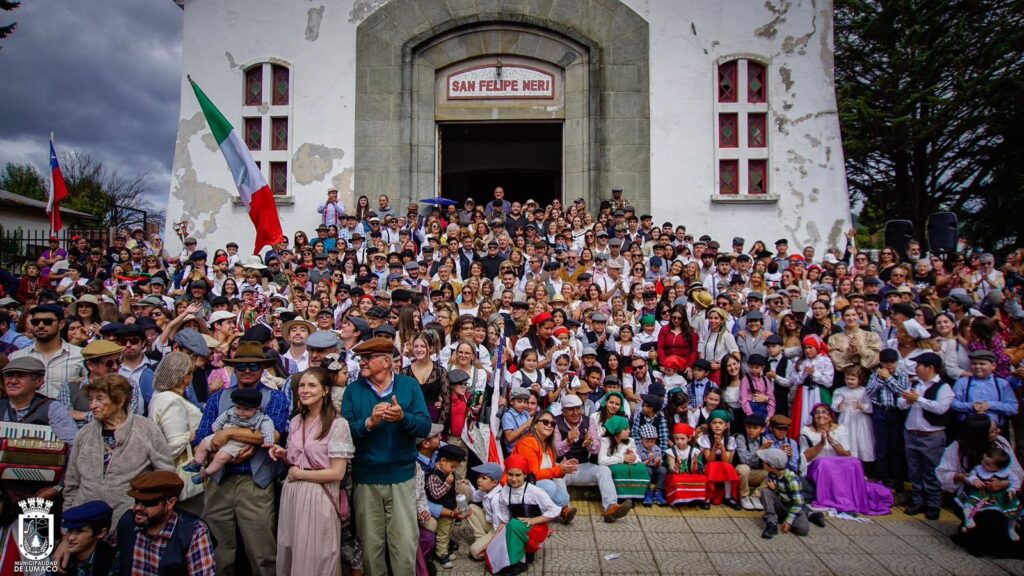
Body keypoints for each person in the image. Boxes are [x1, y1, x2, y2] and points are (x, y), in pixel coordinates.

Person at [341, 337, 432, 576]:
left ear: (386, 361)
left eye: (368, 358)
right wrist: (369, 423)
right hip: (366, 480)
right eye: (361, 358)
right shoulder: (353, 391)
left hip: (402, 478)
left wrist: (403, 418)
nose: (363, 362)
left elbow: (424, 427)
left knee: (404, 546)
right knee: (371, 549)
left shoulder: (409, 386)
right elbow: (344, 434)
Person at [197, 341, 289, 576]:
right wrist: (247, 439)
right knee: (218, 552)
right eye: (241, 366)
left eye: (253, 366)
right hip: (219, 481)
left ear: (262, 369)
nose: (247, 370)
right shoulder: (218, 398)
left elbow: (274, 434)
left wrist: (227, 433)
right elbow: (202, 435)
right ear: (234, 369)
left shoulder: (276, 398)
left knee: (262, 553)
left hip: (255, 482)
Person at [268, 367, 356, 576]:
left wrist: (302, 475)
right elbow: (298, 459)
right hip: (293, 493)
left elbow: (337, 473)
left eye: (312, 385)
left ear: (325, 390)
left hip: (319, 495)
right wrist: (284, 454)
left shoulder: (338, 424)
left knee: (318, 554)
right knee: (292, 549)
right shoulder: (297, 421)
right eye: (303, 386)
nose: (305, 390)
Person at [63, 374, 175, 530]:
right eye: (91, 399)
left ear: (120, 401)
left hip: (129, 523)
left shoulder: (146, 429)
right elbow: (72, 483)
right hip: (85, 528)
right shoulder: (85, 433)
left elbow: (166, 477)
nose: (93, 405)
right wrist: (67, 524)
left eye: (100, 399)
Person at [938, 414, 1024, 556]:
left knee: (1007, 520)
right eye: (993, 431)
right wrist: (959, 476)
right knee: (990, 521)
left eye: (997, 429)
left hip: (1001, 496)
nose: (998, 432)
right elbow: (942, 474)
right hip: (973, 497)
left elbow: (1017, 472)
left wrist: (1004, 483)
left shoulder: (1001, 443)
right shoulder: (957, 447)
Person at [113, 470, 216, 575]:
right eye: (136, 501)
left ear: (170, 503)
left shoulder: (194, 533)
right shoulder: (127, 522)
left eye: (147, 503)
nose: (138, 508)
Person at [800, 403, 892, 515]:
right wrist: (821, 444)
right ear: (813, 416)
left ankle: (848, 501)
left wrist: (833, 442)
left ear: (830, 417)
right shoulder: (806, 431)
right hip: (817, 468)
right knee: (824, 463)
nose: (820, 415)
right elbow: (805, 456)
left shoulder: (840, 429)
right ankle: (836, 501)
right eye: (817, 413)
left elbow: (846, 454)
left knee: (855, 461)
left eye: (824, 412)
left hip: (839, 467)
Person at [552, 395, 632, 522]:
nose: (576, 412)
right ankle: (564, 510)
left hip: (583, 466)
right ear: (563, 411)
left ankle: (611, 507)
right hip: (563, 467)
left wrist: (590, 444)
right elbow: (555, 450)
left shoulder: (588, 421)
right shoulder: (556, 423)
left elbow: (597, 446)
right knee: (555, 474)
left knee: (604, 471)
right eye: (571, 409)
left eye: (578, 408)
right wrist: (567, 441)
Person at [483, 454, 560, 575]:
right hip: (515, 527)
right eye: (510, 474)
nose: (513, 479)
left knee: (513, 524)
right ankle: (524, 552)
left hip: (535, 529)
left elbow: (555, 510)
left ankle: (518, 563)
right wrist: (492, 542)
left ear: (525, 475)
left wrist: (533, 520)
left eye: (518, 475)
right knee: (506, 533)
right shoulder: (505, 491)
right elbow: (504, 519)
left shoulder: (534, 491)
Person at [148, 351, 205, 514]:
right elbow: (173, 446)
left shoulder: (161, 396)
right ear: (184, 376)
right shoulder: (171, 401)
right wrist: (194, 435)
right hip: (181, 475)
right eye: (191, 373)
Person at [899, 351, 954, 520]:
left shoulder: (943, 387)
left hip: (932, 435)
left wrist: (918, 399)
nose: (916, 368)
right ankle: (917, 501)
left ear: (930, 368)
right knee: (914, 470)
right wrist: (907, 400)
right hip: (911, 432)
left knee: (931, 471)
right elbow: (901, 405)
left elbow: (940, 408)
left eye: (919, 365)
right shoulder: (915, 384)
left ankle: (933, 504)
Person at [187, 388, 277, 482]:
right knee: (204, 443)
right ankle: (196, 463)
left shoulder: (261, 418)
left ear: (256, 408)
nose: (241, 411)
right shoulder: (231, 412)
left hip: (239, 441)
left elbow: (268, 429)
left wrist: (268, 441)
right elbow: (221, 419)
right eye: (238, 407)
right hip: (221, 435)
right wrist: (216, 428)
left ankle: (205, 474)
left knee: (221, 456)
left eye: (246, 409)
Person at [512, 412, 578, 523]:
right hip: (520, 484)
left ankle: (560, 510)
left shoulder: (548, 445)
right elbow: (533, 475)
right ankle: (539, 514)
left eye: (552, 424)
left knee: (564, 498)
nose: (549, 426)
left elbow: (551, 471)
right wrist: (559, 469)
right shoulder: (527, 443)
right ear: (534, 425)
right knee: (550, 486)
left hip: (536, 484)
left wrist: (564, 469)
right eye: (545, 422)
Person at [756, 448, 825, 540]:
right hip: (781, 503)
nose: (762, 463)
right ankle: (771, 523)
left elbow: (798, 503)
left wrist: (789, 521)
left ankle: (811, 515)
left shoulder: (792, 479)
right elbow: (779, 494)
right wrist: (775, 489)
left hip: (792, 506)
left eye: (764, 462)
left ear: (772, 466)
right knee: (765, 492)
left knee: (803, 530)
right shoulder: (771, 474)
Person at [954, 445, 1020, 539]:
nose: (983, 465)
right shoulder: (979, 469)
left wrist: (1011, 490)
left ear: (1000, 467)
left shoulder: (1007, 472)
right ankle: (969, 519)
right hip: (981, 493)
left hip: (999, 495)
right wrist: (974, 480)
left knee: (1012, 509)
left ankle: (1011, 528)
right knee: (972, 503)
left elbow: (1016, 481)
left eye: (988, 464)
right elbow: (971, 475)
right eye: (983, 461)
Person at [424, 443, 468, 568]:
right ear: (442, 461)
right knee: (442, 534)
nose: (453, 470)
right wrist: (448, 484)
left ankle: (446, 549)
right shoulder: (433, 476)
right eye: (452, 467)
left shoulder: (447, 473)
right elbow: (435, 494)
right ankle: (441, 554)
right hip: (441, 510)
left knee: (449, 531)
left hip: (450, 507)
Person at [598, 414, 650, 501]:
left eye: (628, 428)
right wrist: (622, 459)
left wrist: (633, 457)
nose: (629, 431)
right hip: (612, 468)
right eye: (625, 429)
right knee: (617, 470)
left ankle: (633, 496)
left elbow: (638, 459)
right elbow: (601, 461)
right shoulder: (605, 441)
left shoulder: (630, 441)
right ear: (617, 431)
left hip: (627, 466)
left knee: (641, 468)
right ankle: (620, 497)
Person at [698, 409, 741, 508]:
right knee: (712, 466)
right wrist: (714, 447)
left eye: (721, 423)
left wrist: (721, 447)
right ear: (710, 425)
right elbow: (709, 460)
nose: (717, 426)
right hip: (708, 467)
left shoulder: (730, 439)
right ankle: (707, 498)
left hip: (723, 466)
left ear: (726, 425)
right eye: (714, 423)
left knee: (728, 467)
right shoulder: (705, 438)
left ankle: (728, 496)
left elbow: (727, 461)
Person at [61, 500, 117, 576]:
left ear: (101, 533)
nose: (71, 537)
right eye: (70, 530)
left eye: (79, 531)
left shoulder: (112, 560)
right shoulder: (61, 558)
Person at [831, 366, 874, 463]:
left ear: (860, 379)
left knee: (861, 438)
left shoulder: (864, 391)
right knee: (848, 437)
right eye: (847, 379)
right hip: (846, 418)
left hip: (860, 419)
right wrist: (839, 406)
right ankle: (849, 458)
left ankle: (863, 463)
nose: (849, 381)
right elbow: (834, 404)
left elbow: (870, 406)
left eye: (852, 379)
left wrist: (862, 406)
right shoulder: (841, 390)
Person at [664, 422, 708, 507]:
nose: (679, 441)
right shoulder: (671, 451)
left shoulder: (695, 451)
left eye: (682, 438)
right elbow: (671, 470)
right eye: (676, 438)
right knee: (676, 480)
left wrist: (695, 463)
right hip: (676, 475)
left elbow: (693, 471)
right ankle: (679, 499)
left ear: (689, 438)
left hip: (689, 474)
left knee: (702, 478)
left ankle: (697, 499)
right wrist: (677, 465)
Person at [636, 424, 667, 506]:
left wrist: (658, 462)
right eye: (647, 441)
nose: (650, 444)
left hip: (654, 470)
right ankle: (647, 492)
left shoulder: (657, 449)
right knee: (647, 469)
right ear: (641, 439)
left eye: (652, 441)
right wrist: (648, 460)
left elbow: (658, 466)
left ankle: (658, 492)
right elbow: (639, 465)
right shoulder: (637, 448)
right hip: (643, 472)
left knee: (663, 469)